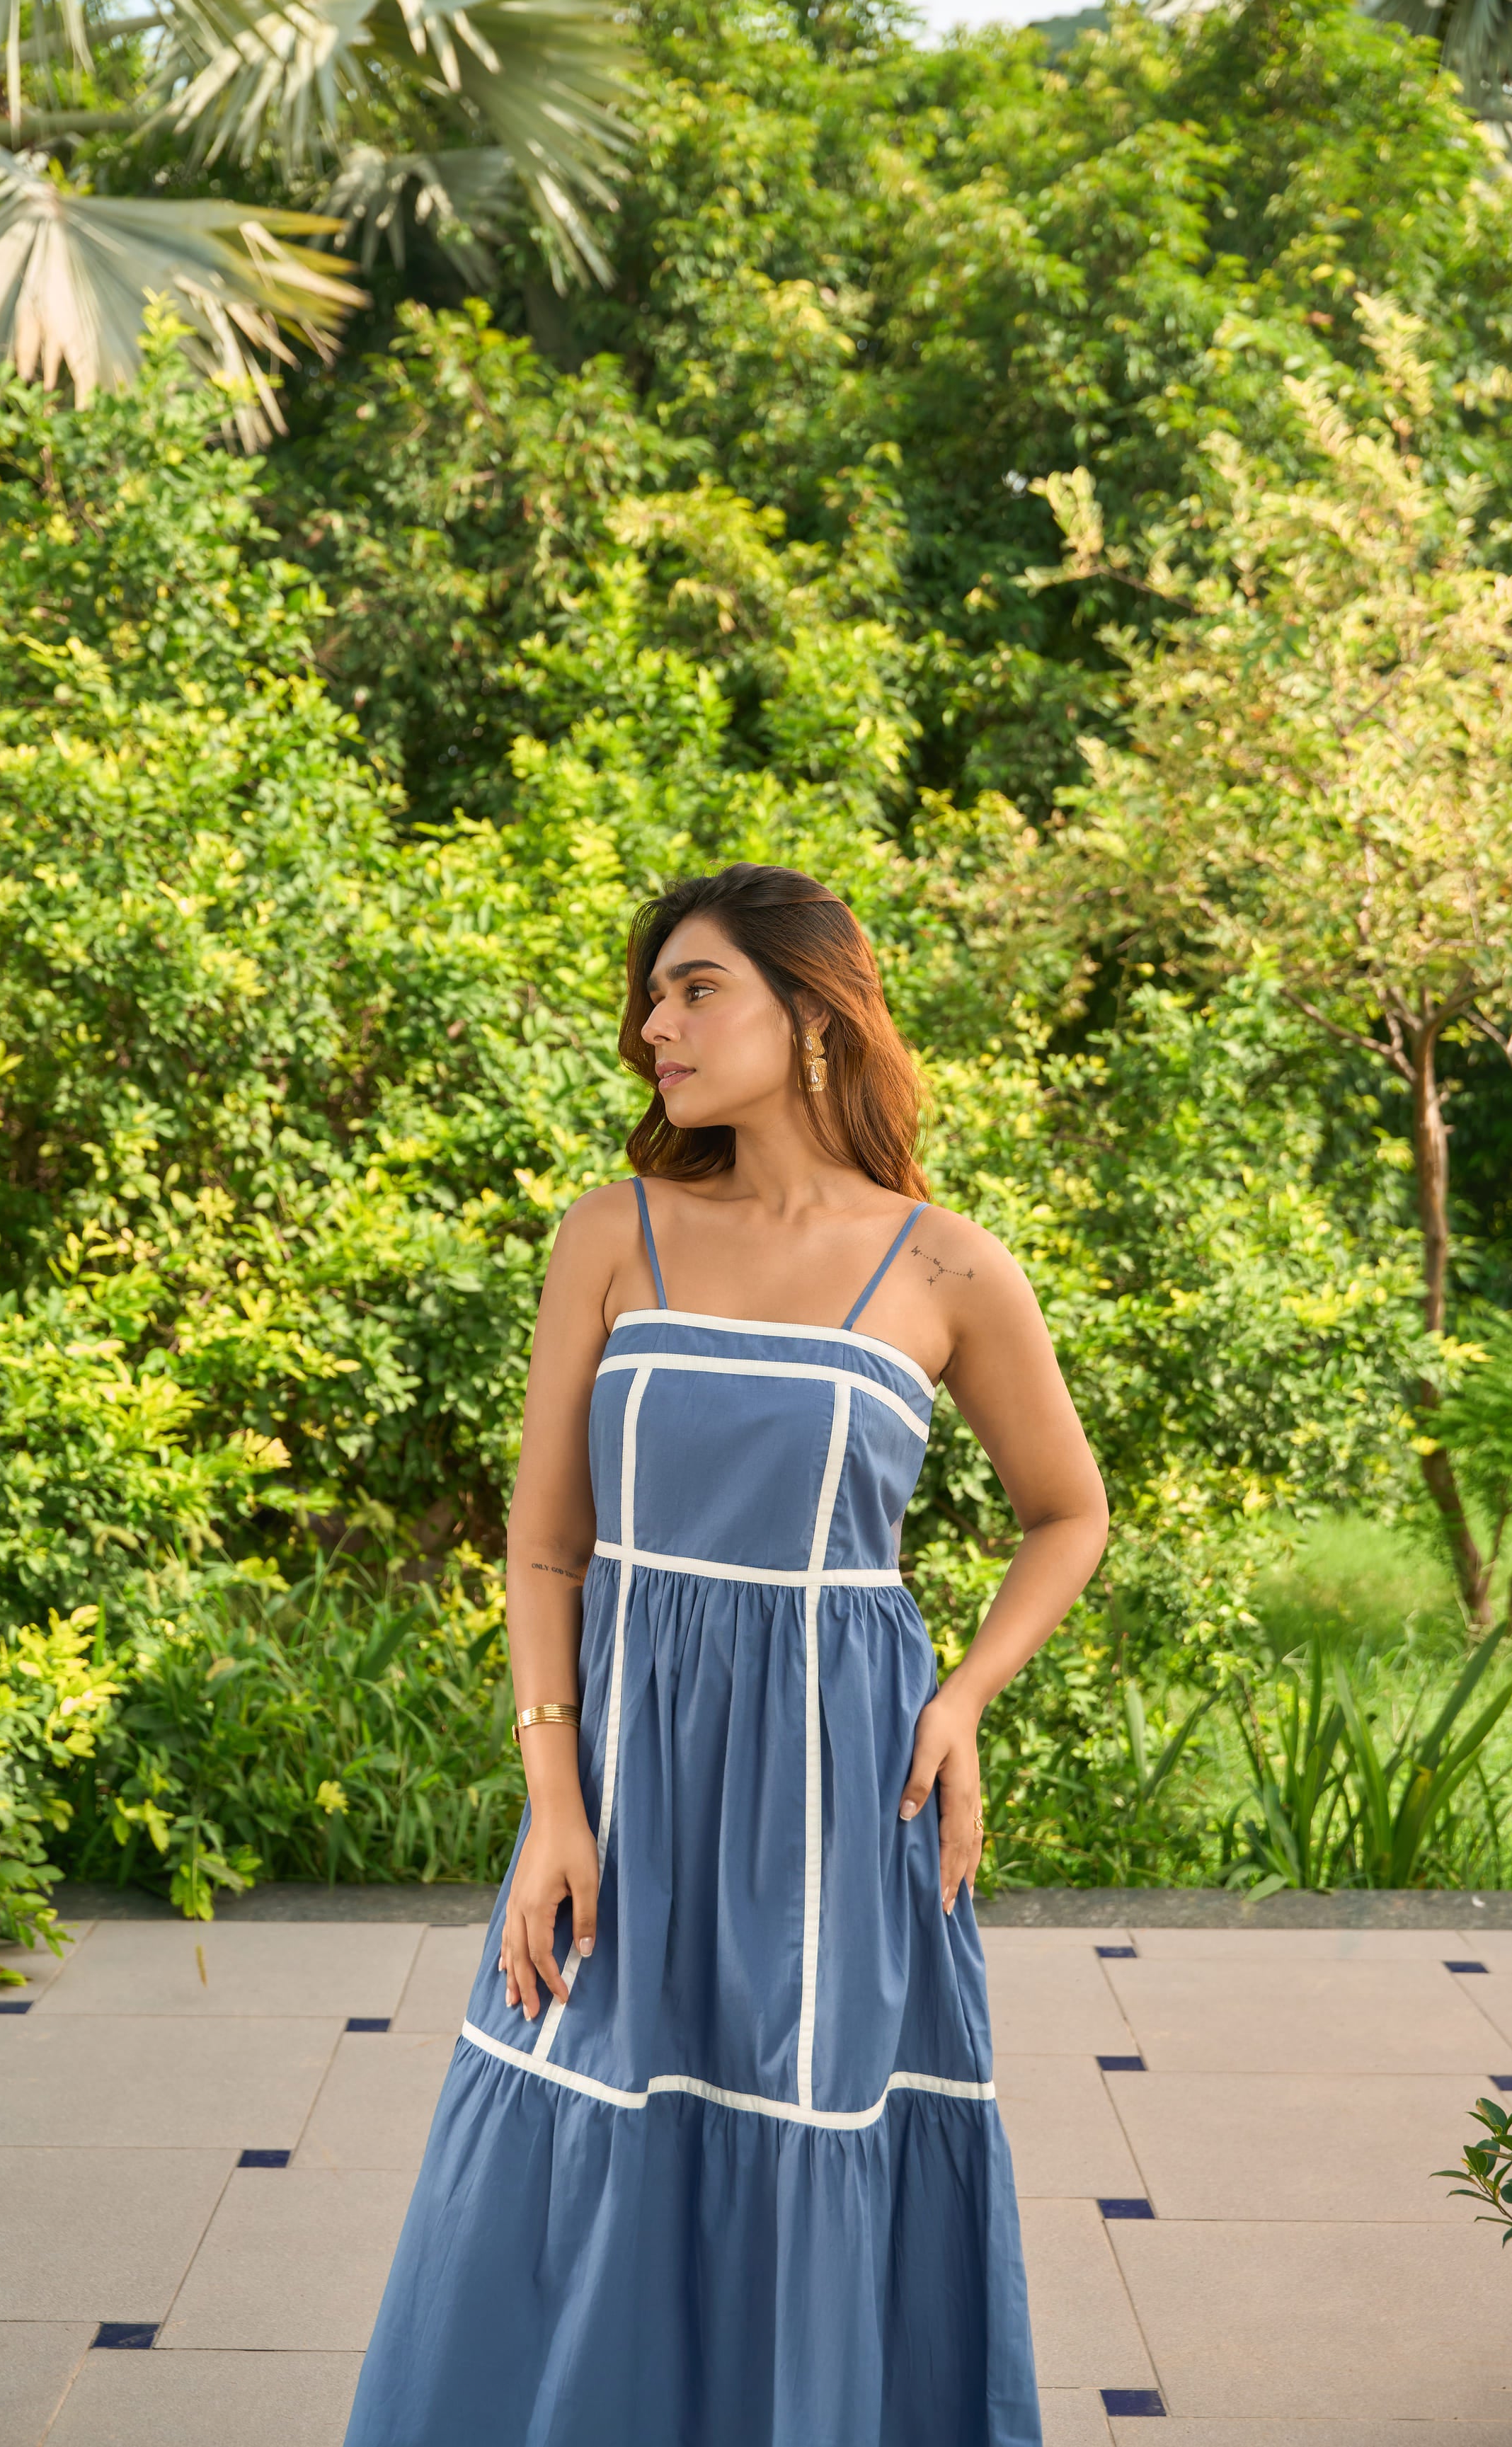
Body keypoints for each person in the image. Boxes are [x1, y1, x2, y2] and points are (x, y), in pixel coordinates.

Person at [344, 863, 1109, 2447]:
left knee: (806, 2118)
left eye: (693, 987)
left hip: (841, 1792)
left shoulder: (947, 1265)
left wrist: (961, 1696)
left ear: (811, 1010)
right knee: (583, 2107)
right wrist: (554, 1799)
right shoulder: (611, 1235)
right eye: (650, 994)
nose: (652, 1026)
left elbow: (1067, 1513)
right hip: (628, 1774)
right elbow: (547, 1541)